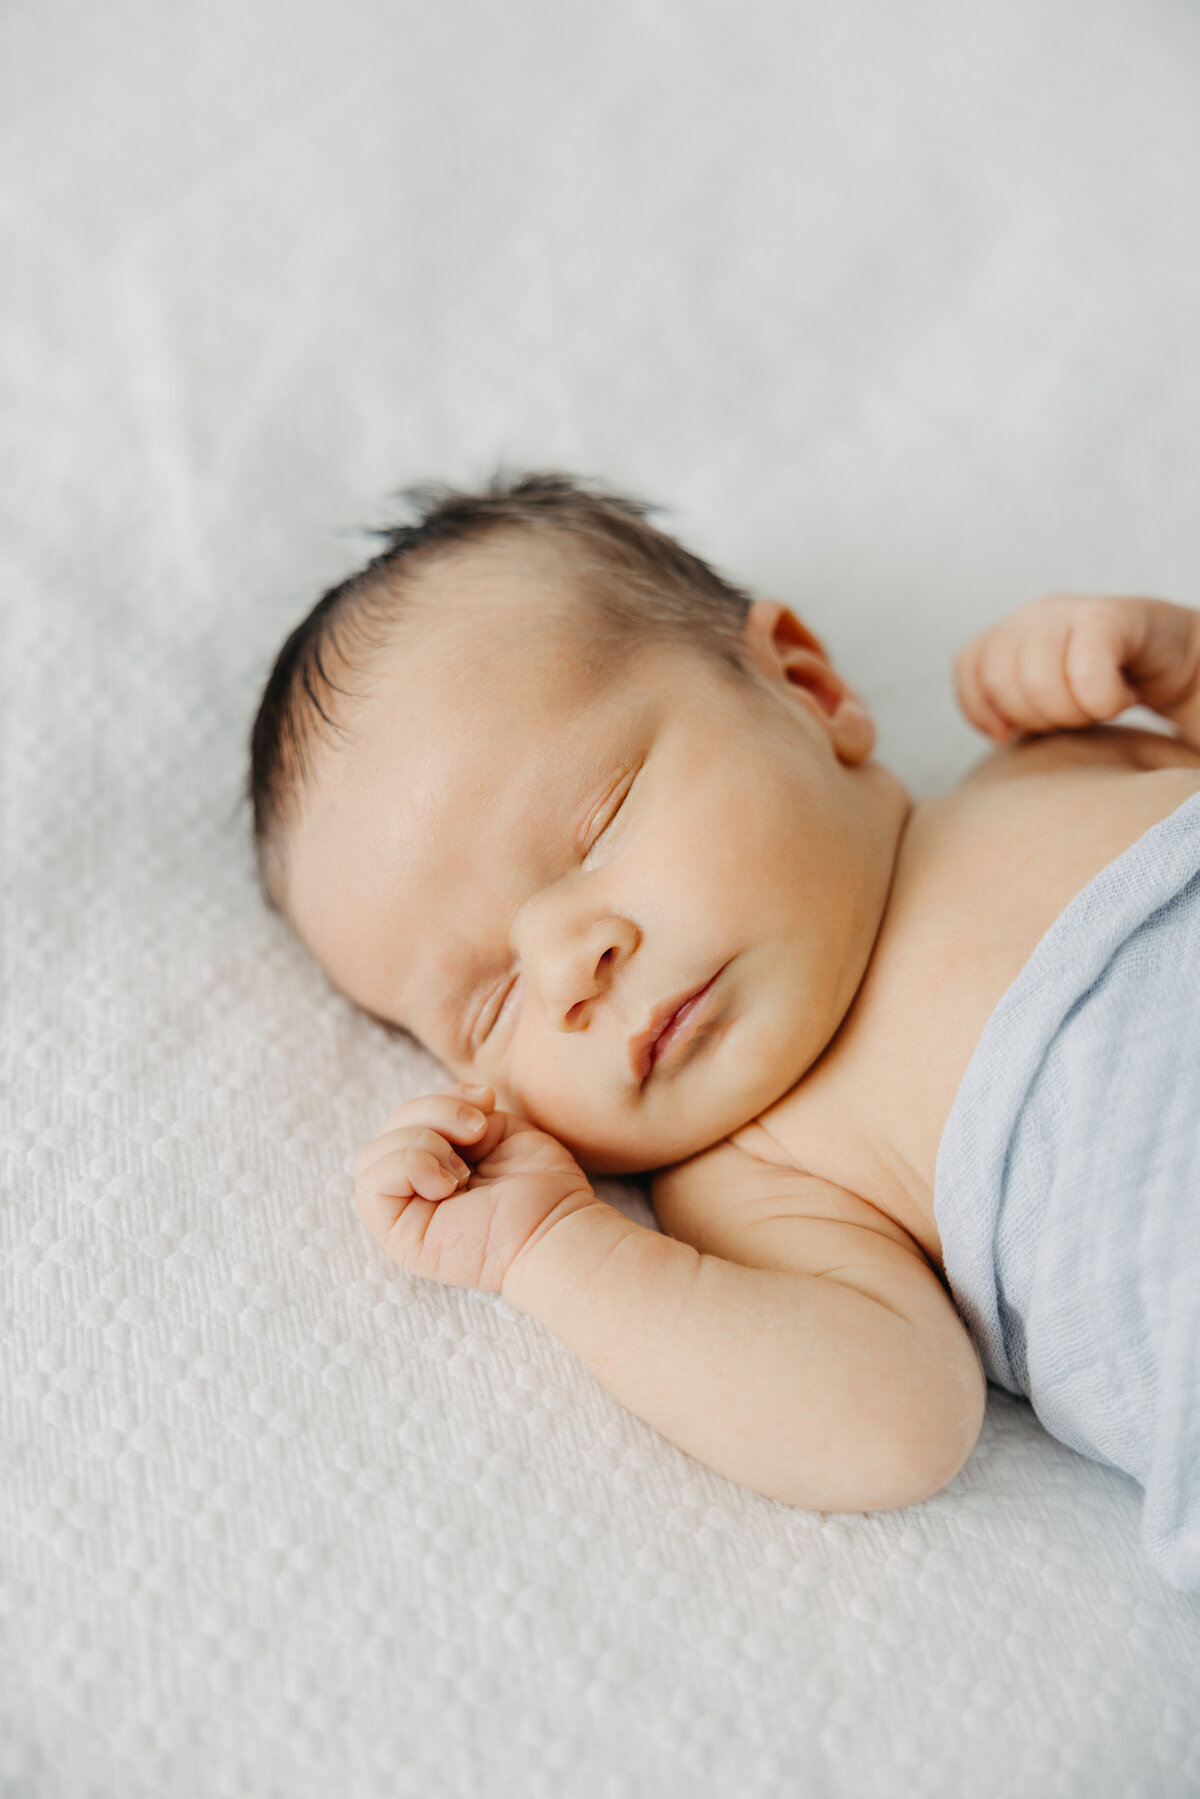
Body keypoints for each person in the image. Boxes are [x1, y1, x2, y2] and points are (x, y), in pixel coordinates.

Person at [248, 473, 1200, 1587]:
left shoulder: (1059, 756)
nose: (568, 966)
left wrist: (1179, 671)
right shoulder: (764, 1175)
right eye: (490, 1001)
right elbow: (892, 1423)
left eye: (595, 824)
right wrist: (552, 1246)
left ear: (803, 682)